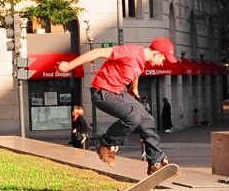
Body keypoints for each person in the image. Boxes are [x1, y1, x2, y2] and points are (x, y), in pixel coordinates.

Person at [57, 38, 177, 175]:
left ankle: (156, 161)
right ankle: (105, 144)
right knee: (133, 117)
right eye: (163, 60)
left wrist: (134, 88)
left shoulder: (142, 61)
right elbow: (97, 52)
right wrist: (69, 66)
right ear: (157, 53)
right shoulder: (130, 52)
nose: (162, 64)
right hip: (102, 92)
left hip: (119, 92)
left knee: (147, 119)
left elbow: (135, 72)